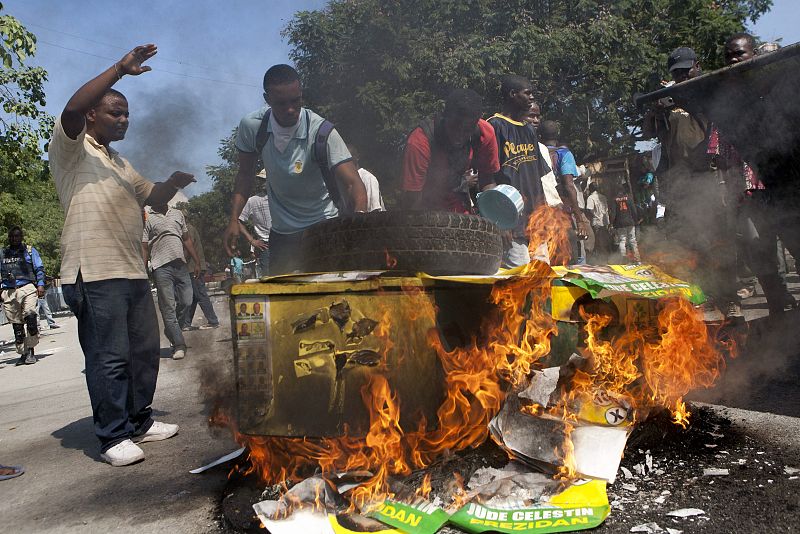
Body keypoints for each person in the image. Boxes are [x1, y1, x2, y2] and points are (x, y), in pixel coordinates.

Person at [49, 43, 193, 466]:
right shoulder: (72, 148)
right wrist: (119, 70)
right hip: (92, 271)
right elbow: (72, 109)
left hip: (131, 269)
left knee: (145, 350)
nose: (124, 119)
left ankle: (140, 422)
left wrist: (171, 183)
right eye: (115, 112)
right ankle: (112, 437)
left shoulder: (119, 162)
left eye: (127, 113)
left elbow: (154, 195)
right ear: (94, 114)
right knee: (108, 356)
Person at [224, 64, 367, 275]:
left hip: (324, 229)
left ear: (301, 94)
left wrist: (358, 224)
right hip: (282, 234)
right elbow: (245, 174)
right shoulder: (253, 127)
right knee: (284, 300)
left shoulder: (321, 131)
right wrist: (234, 219)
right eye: (281, 103)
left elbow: (354, 184)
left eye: (296, 101)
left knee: (333, 300)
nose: (290, 109)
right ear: (267, 99)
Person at [643, 46, 740, 319]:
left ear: (697, 66)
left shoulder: (709, 92)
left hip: (708, 177)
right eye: (678, 73)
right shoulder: (668, 99)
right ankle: (703, 295)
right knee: (689, 241)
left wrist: (690, 98)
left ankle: (729, 297)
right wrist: (654, 109)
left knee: (719, 240)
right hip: (679, 181)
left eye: (687, 70)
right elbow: (650, 132)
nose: (683, 75)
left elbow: (721, 126)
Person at [710, 33, 795, 315]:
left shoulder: (777, 91)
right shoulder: (724, 105)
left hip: (781, 187)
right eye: (729, 56)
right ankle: (778, 309)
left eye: (740, 54)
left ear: (754, 55)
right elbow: (719, 153)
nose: (734, 61)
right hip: (747, 194)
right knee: (759, 251)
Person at [484, 76, 561, 267]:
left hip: (536, 220)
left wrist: (545, 215)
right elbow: (487, 177)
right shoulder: (494, 126)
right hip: (511, 221)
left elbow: (537, 178)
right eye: (527, 93)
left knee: (542, 275)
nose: (531, 97)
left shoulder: (529, 130)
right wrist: (499, 221)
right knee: (519, 278)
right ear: (512, 94)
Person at [401, 89, 500, 213]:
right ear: (444, 117)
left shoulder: (485, 134)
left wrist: (496, 214)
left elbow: (488, 181)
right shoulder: (419, 142)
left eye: (467, 130)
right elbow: (412, 200)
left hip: (461, 210)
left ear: (476, 123)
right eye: (455, 127)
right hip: (425, 211)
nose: (459, 135)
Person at [141, 204, 200, 359]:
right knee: (168, 307)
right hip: (160, 267)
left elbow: (186, 239)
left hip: (180, 264)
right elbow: (145, 246)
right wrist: (143, 269)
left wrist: (197, 261)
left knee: (187, 300)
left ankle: (172, 330)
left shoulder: (177, 214)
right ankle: (179, 344)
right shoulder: (149, 218)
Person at [539, 120, 591, 264]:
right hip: (562, 212)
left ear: (539, 136)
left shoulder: (534, 152)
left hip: (539, 212)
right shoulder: (564, 154)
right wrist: (580, 220)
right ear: (558, 135)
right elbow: (569, 185)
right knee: (570, 257)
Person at [1, 226, 45, 365]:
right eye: (12, 236)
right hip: (9, 291)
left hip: (27, 288)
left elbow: (39, 268)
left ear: (21, 237)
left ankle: (31, 350)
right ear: (9, 238)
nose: (14, 239)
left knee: (31, 317)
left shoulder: (30, 251)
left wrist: (41, 284)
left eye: (17, 236)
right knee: (17, 326)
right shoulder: (2, 253)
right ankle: (23, 353)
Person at [181, 219, 220, 330]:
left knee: (200, 294)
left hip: (194, 267)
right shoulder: (189, 228)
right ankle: (186, 323)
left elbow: (189, 247)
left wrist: (180, 262)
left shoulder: (187, 228)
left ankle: (213, 321)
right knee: (194, 296)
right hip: (194, 267)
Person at [238, 171, 272, 277]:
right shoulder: (252, 201)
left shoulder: (280, 197)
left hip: (283, 240)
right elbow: (239, 221)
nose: (262, 182)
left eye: (264, 180)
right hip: (265, 245)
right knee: (268, 276)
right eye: (261, 180)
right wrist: (252, 241)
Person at [609, 182, 642, 263]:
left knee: (622, 240)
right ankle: (637, 259)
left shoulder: (614, 199)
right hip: (630, 222)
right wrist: (636, 220)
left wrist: (612, 223)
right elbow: (634, 210)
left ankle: (624, 259)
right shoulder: (629, 198)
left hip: (620, 223)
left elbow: (613, 213)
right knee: (633, 240)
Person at [348, 144, 385, 212]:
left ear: (357, 157)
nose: (346, 162)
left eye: (349, 158)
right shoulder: (342, 181)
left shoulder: (368, 178)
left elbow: (375, 211)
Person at [585, 183, 612, 263]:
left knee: (598, 242)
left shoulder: (591, 198)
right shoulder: (603, 197)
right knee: (604, 241)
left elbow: (589, 209)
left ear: (590, 189)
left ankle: (601, 260)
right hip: (605, 222)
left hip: (596, 222)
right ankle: (607, 259)